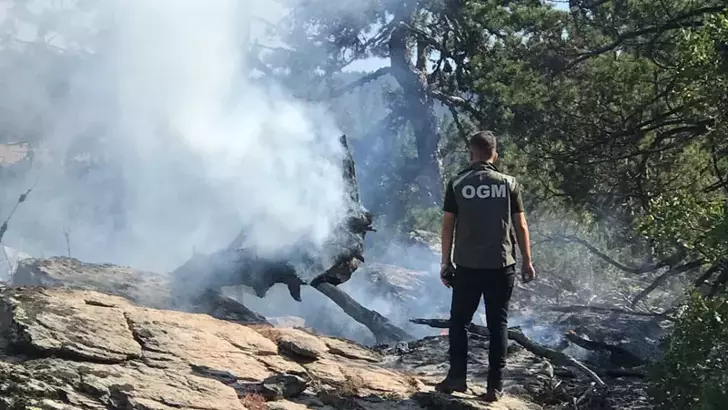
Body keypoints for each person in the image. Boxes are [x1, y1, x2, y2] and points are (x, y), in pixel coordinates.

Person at [435, 130, 536, 402]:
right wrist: (527, 260)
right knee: (498, 325)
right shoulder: (508, 183)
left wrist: (445, 262)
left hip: (467, 266)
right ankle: (495, 387)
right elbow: (521, 224)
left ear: (471, 154)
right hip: (502, 266)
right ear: (495, 154)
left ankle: (457, 378)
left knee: (459, 324)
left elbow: (447, 226)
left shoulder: (457, 183)